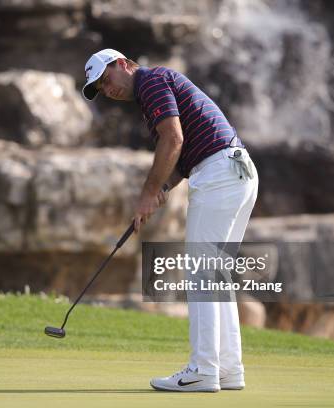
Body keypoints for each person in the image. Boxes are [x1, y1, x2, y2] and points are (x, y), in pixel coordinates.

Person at [81, 49, 258, 392]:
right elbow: (180, 152)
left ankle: (203, 369)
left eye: (107, 79)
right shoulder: (155, 89)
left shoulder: (151, 81)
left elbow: (173, 139)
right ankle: (227, 368)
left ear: (124, 64)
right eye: (101, 88)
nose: (108, 89)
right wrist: (158, 190)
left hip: (221, 174)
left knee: (202, 273)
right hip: (238, 171)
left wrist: (148, 191)